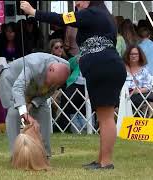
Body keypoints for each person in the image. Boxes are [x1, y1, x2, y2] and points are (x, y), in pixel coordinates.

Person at [20, 1, 126, 169]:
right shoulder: (102, 15)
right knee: (103, 116)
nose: (76, 2)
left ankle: (106, 162)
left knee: (105, 117)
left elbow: (62, 18)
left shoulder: (92, 13)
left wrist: (34, 12)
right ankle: (101, 160)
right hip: (106, 67)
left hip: (105, 68)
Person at [0, 52, 70, 158]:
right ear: (50, 69)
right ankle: (16, 155)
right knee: (13, 113)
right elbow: (18, 89)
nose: (51, 86)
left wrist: (33, 103)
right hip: (12, 81)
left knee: (44, 111)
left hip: (35, 87)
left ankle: (45, 154)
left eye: (55, 84)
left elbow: (50, 91)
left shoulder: (64, 68)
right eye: (51, 82)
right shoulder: (33, 65)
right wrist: (24, 113)